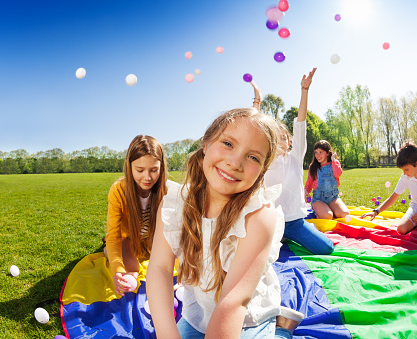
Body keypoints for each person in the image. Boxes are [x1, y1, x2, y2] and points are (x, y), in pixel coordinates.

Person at [146, 108, 303, 338]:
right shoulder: (174, 204)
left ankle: (281, 329)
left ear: (261, 171)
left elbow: (234, 300)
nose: (235, 162)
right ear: (206, 145)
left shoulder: (259, 215)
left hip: (246, 319)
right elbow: (159, 269)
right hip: (198, 315)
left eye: (253, 157)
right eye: (228, 144)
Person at [263, 68, 334, 255]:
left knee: (326, 248)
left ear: (290, 142)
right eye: (276, 138)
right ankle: (280, 238)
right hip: (270, 222)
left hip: (295, 221)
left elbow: (300, 124)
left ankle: (289, 236)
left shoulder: (295, 157)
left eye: (284, 138)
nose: (281, 141)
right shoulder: (263, 162)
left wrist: (304, 91)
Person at [104, 135, 168, 296]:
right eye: (140, 170)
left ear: (161, 167)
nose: (147, 177)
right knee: (131, 270)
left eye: (154, 170)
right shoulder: (119, 190)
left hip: (152, 239)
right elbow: (113, 236)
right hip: (128, 240)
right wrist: (117, 270)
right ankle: (106, 251)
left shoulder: (166, 190)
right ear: (129, 166)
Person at [304, 140, 349, 220]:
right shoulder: (313, 166)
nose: (318, 155)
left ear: (328, 153)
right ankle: (317, 210)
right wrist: (306, 190)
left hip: (333, 197)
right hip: (318, 199)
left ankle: (330, 208)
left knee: (345, 214)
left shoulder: (334, 163)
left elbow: (338, 173)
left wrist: (334, 160)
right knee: (327, 216)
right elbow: (309, 182)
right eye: (316, 152)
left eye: (321, 152)